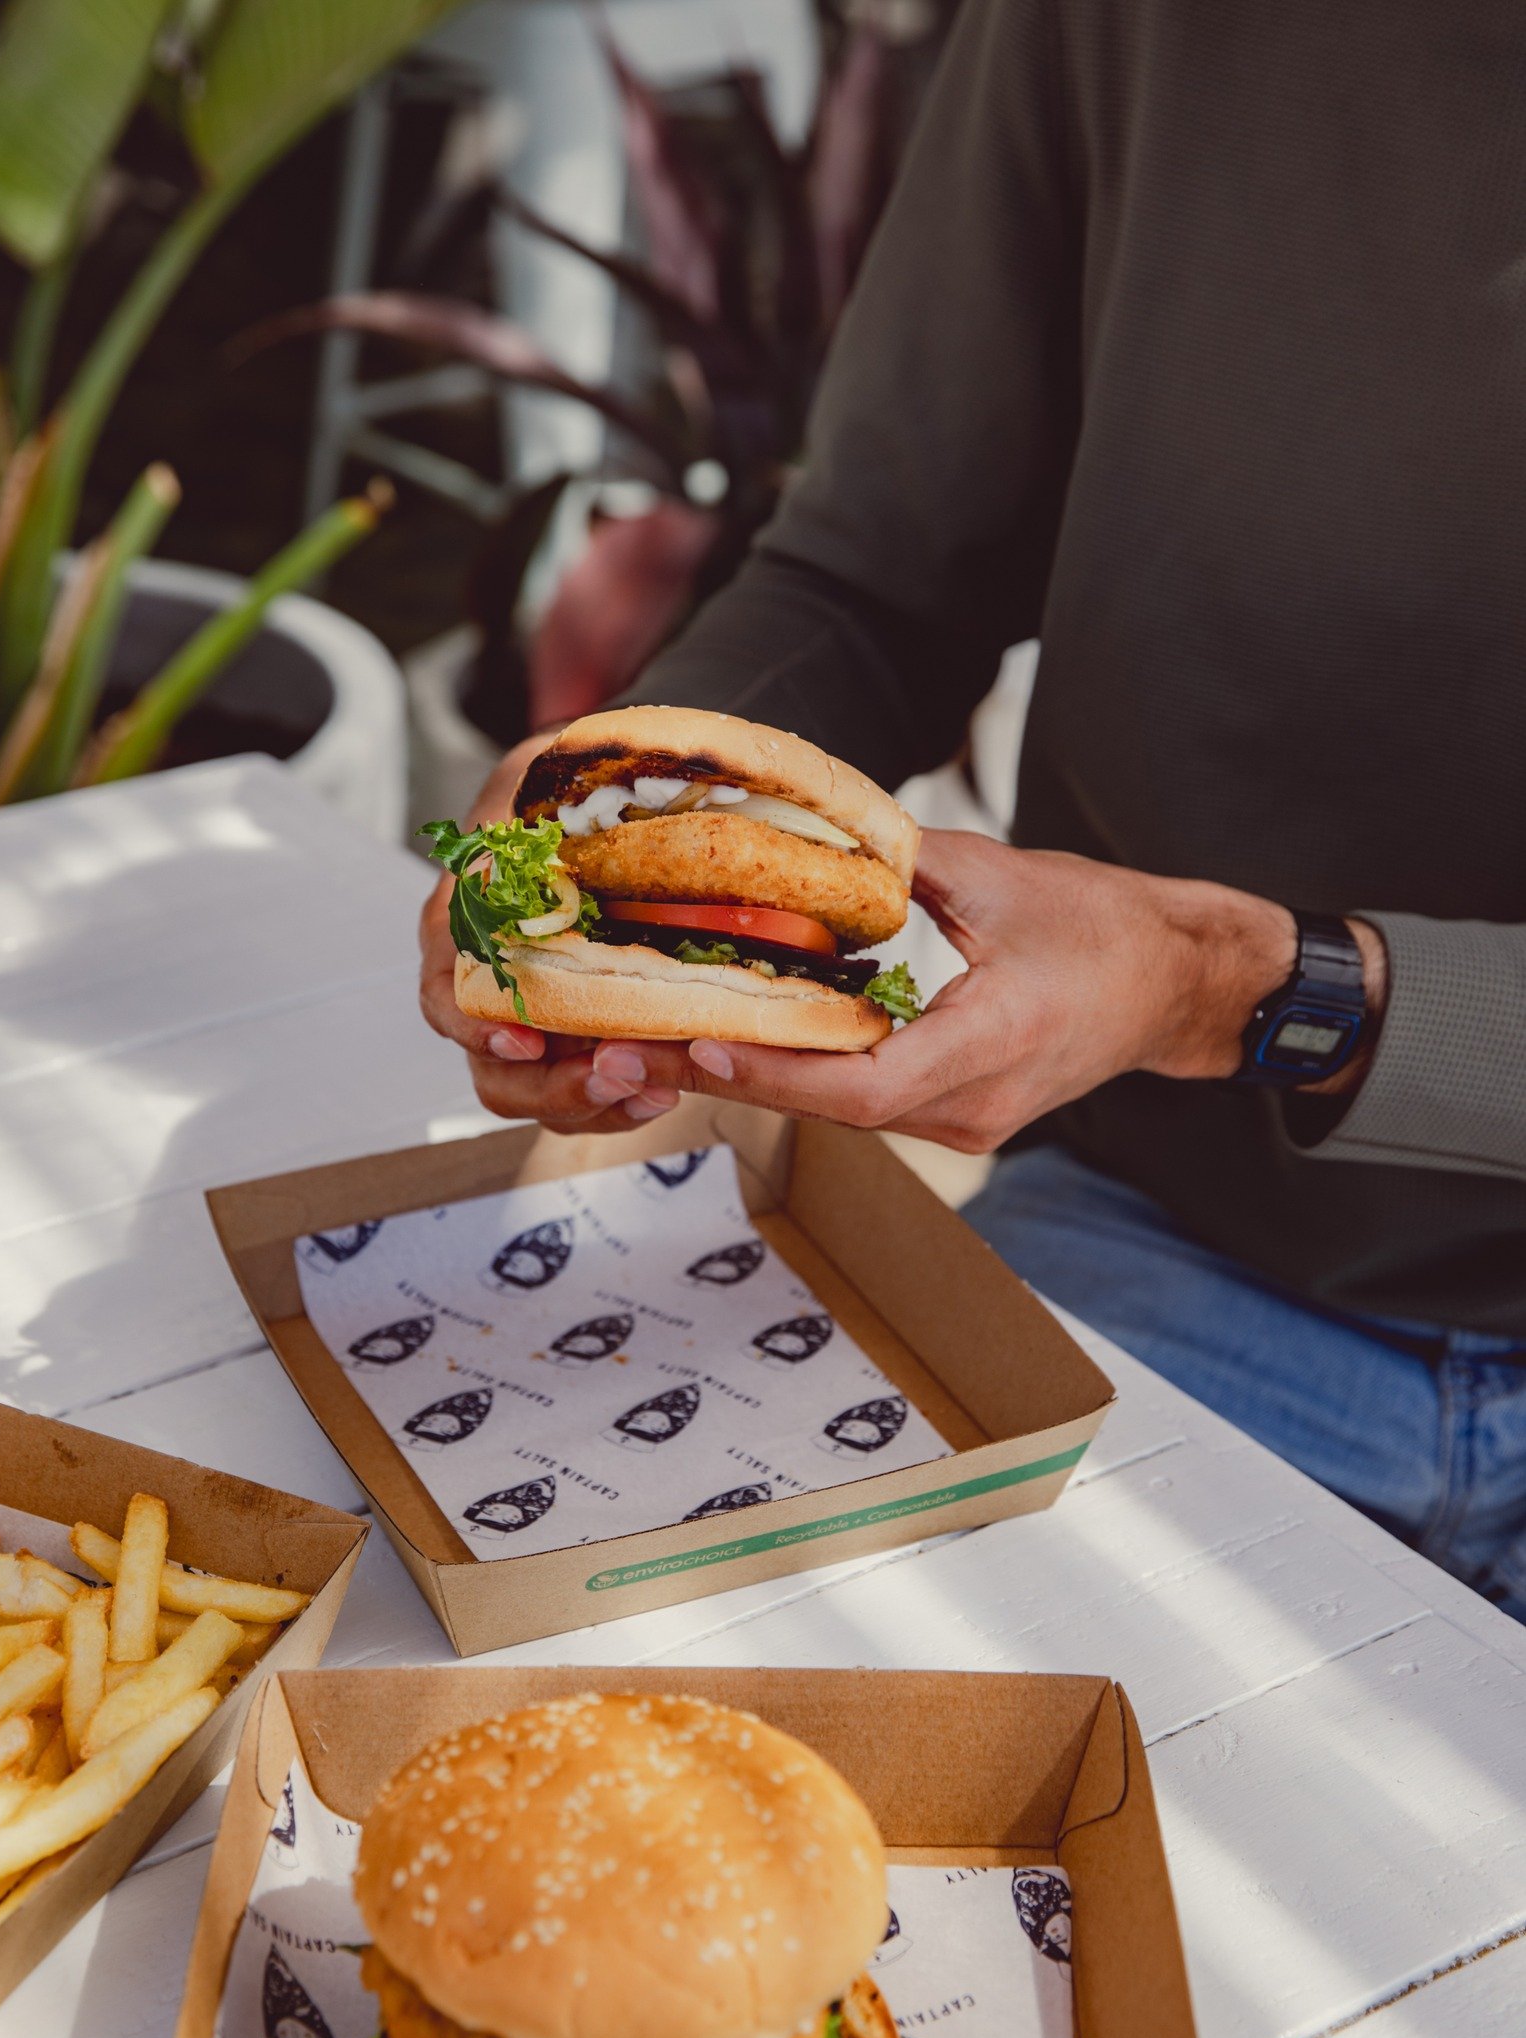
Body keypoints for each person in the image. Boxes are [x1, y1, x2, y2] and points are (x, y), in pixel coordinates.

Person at [420, 0, 1526, 1617]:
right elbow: (877, 569)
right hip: (1162, 1240)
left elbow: (1223, 976)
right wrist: (628, 783)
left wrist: (1228, 979)